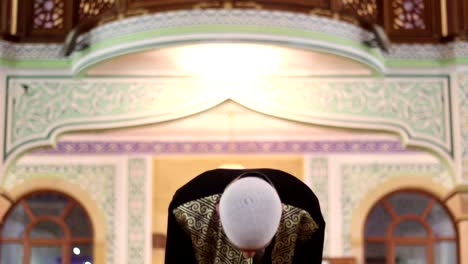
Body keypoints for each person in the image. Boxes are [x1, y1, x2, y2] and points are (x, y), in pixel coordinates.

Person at [165, 168, 325, 264]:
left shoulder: (305, 216)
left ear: (281, 212)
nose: (248, 256)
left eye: (259, 247)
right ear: (219, 211)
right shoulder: (185, 211)